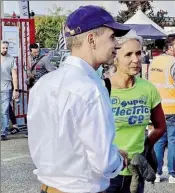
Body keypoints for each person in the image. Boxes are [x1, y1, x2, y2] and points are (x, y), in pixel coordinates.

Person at [27, 5, 131, 193]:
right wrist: (120, 160)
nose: (116, 44)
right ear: (91, 39)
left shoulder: (44, 84)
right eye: (112, 37)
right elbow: (104, 162)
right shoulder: (90, 90)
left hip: (49, 187)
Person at [103, 34, 166, 193]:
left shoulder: (147, 88)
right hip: (107, 173)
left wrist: (145, 147)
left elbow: (160, 127)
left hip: (135, 171)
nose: (136, 59)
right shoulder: (102, 88)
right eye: (128, 54)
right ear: (115, 57)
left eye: (139, 53)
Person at [148, 33, 175, 183]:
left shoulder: (154, 62)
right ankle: (173, 174)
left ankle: (157, 173)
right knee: (173, 142)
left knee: (159, 142)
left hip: (158, 109)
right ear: (170, 47)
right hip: (174, 109)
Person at [1, 40, 20, 141]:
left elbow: (14, 75)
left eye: (6, 48)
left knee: (4, 111)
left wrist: (15, 89)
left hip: (6, 88)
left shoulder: (11, 59)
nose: (5, 50)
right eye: (3, 47)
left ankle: (3, 133)